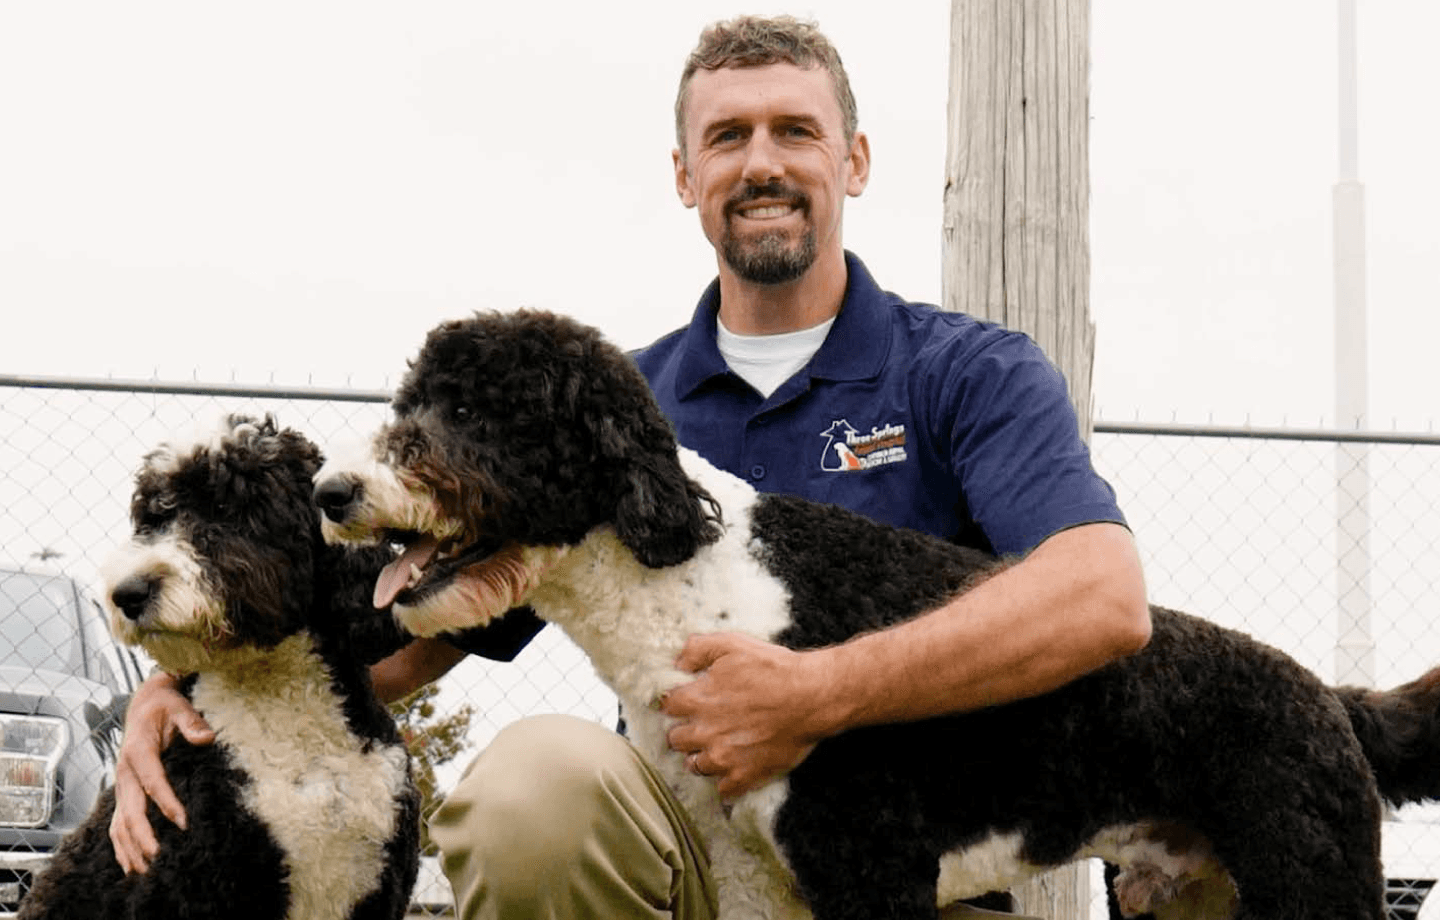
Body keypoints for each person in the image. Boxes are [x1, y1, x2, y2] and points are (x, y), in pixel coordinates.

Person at [109, 15, 1150, 920]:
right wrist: (186, 687)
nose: (763, 163)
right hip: (689, 853)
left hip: (913, 866)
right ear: (685, 174)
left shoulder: (967, 372)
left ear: (856, 160)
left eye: (796, 130)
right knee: (531, 784)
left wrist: (818, 691)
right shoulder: (599, 406)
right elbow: (395, 643)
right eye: (727, 136)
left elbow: (1102, 597)